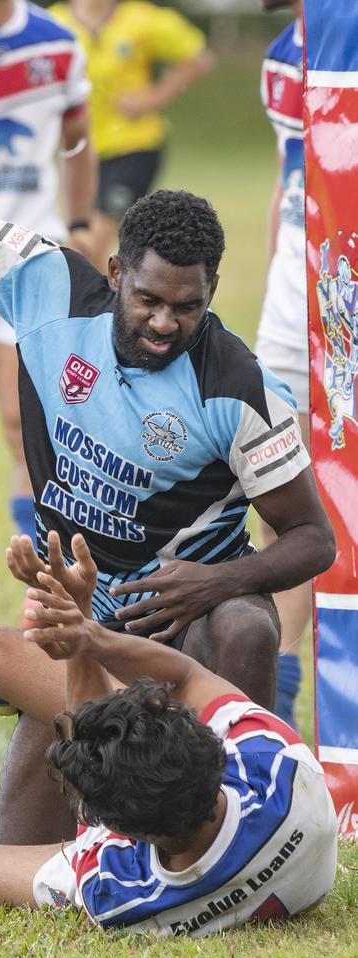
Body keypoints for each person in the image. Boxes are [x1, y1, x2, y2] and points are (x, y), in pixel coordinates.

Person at [0, 79, 335, 844]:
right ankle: (7, 676)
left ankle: (250, 829)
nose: (166, 323)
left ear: (211, 294)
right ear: (114, 270)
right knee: (17, 854)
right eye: (149, 299)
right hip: (80, 620)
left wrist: (218, 579)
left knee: (246, 627)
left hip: (190, 628)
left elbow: (313, 539)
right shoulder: (48, 285)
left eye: (187, 307)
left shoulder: (236, 386)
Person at [0, 532, 337, 938]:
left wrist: (83, 625)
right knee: (24, 674)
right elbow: (190, 673)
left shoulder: (117, 883)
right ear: (212, 750)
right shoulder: (279, 771)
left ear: (113, 830)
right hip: (239, 837)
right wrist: (84, 634)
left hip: (172, 833)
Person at [0, 0, 97, 544]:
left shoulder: (57, 42)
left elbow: (78, 141)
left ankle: (38, 577)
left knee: (21, 420)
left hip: (22, 257)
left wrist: (78, 223)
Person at [49, 0, 214, 271]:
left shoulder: (143, 19)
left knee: (97, 236)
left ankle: (99, 308)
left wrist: (152, 98)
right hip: (81, 152)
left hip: (134, 147)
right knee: (82, 238)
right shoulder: (54, 23)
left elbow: (198, 58)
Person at [254, 0, 308, 731]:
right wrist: (275, 287)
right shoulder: (278, 54)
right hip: (293, 309)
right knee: (285, 511)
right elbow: (286, 179)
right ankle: (282, 717)